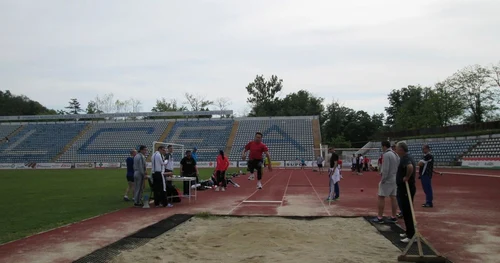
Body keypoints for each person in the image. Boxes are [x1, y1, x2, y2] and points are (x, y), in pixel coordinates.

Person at [372, 141, 399, 224]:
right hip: (394, 178)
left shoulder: (386, 155)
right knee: (393, 197)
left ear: (384, 146)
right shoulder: (395, 154)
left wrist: (383, 179)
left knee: (381, 196)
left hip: (388, 179)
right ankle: (393, 216)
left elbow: (386, 169)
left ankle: (380, 217)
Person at [395, 141, 417, 243]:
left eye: (397, 148)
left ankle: (411, 234)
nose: (396, 150)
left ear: (401, 149)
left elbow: (410, 167)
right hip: (404, 188)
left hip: (406, 188)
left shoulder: (405, 158)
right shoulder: (406, 157)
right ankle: (408, 231)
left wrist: (407, 177)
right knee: (405, 211)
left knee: (407, 211)